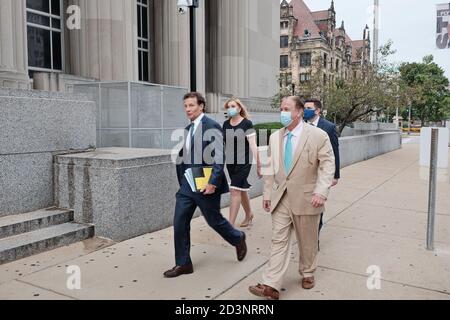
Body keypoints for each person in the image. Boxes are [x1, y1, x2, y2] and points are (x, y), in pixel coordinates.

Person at [248, 96, 335, 300]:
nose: (282, 112)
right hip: (281, 196)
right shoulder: (275, 137)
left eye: (286, 109)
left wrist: (321, 191)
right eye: (281, 109)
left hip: (307, 197)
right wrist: (267, 193)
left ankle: (307, 272)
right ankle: (271, 284)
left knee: (307, 240)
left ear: (299, 112)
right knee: (278, 240)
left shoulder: (318, 135)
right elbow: (269, 167)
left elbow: (327, 165)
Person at [163, 92, 247, 278]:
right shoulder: (187, 129)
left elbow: (218, 157)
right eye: (185, 106)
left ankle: (238, 238)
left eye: (191, 105)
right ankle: (183, 264)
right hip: (187, 185)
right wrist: (183, 179)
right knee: (179, 222)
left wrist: (212, 182)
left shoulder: (212, 126)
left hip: (206, 184)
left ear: (201, 106)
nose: (188, 109)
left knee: (214, 220)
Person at [223, 98, 262, 227]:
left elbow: (253, 145)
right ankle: (249, 213)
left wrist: (259, 166)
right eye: (228, 107)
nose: (230, 109)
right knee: (241, 188)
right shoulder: (225, 124)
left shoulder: (247, 124)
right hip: (230, 162)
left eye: (233, 106)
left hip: (243, 162)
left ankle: (230, 226)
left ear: (239, 108)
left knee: (234, 190)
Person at [304, 99, 340, 237]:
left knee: (317, 203)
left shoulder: (329, 127)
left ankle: (314, 235)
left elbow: (334, 152)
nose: (305, 110)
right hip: (306, 173)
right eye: (304, 107)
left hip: (322, 171)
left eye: (309, 108)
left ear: (317, 110)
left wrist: (335, 175)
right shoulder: (301, 126)